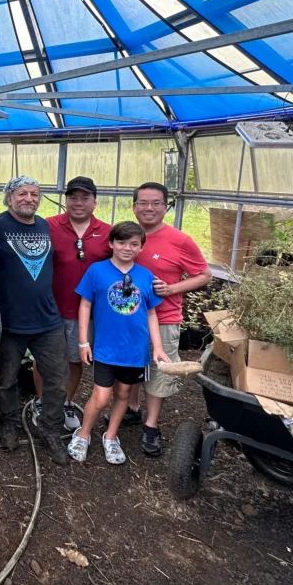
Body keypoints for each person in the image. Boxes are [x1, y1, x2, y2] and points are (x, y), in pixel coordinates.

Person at [0, 176, 69, 465]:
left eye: (34, 193)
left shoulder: (44, 225)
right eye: (22, 193)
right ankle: (8, 422)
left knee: (57, 379)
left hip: (48, 319)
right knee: (6, 379)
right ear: (9, 198)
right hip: (9, 321)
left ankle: (50, 426)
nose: (29, 198)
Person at [68, 222, 169, 465]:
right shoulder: (97, 271)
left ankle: (111, 436)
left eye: (134, 244)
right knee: (101, 397)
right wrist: (83, 342)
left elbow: (152, 313)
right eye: (122, 242)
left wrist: (158, 347)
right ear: (111, 243)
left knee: (123, 393)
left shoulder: (145, 276)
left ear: (141, 247)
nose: (127, 248)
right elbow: (85, 305)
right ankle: (83, 433)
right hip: (105, 348)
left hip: (135, 351)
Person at [127, 182, 212, 457]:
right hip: (127, 318)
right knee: (130, 367)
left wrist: (172, 289)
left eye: (155, 203)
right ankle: (131, 409)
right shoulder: (127, 235)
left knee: (158, 372)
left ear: (166, 207)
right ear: (134, 207)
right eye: (142, 203)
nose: (148, 208)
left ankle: (152, 425)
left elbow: (204, 275)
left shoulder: (179, 240)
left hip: (163, 318)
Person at [41, 176, 112, 431]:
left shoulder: (107, 233)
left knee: (74, 359)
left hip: (87, 313)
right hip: (49, 308)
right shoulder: (48, 226)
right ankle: (42, 403)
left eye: (85, 197)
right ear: (65, 200)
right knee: (44, 359)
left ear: (95, 201)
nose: (78, 203)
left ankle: (66, 402)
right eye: (73, 197)